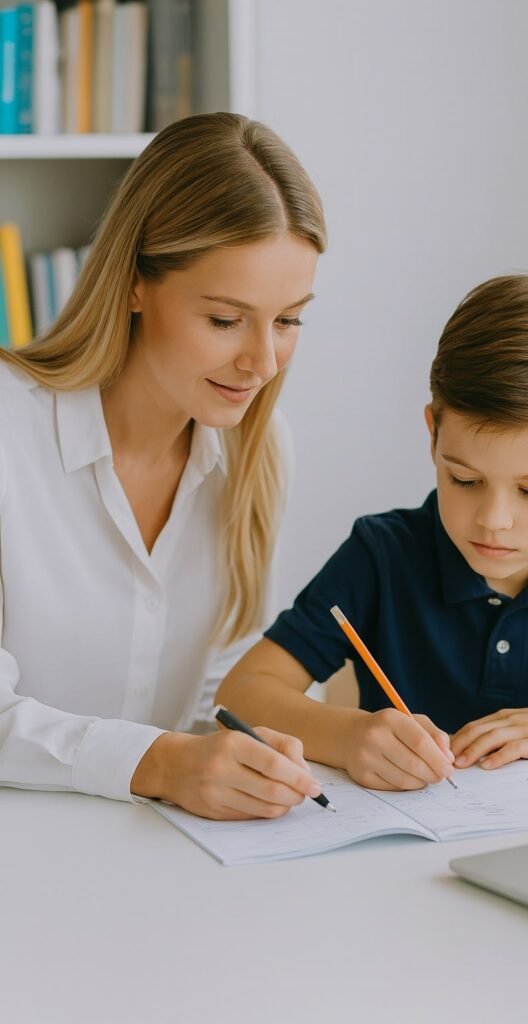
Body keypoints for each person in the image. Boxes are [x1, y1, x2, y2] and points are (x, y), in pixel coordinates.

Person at [217, 274, 528, 792]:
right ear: (434, 435)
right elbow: (244, 692)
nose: (493, 519)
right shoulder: (383, 556)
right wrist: (349, 736)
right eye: (465, 480)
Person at [0, 112, 328, 820]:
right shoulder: (8, 431)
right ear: (134, 285)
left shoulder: (259, 451)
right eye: (224, 319)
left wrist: (263, 755)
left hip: (164, 864)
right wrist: (160, 762)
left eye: (288, 319)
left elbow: (220, 693)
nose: (263, 363)